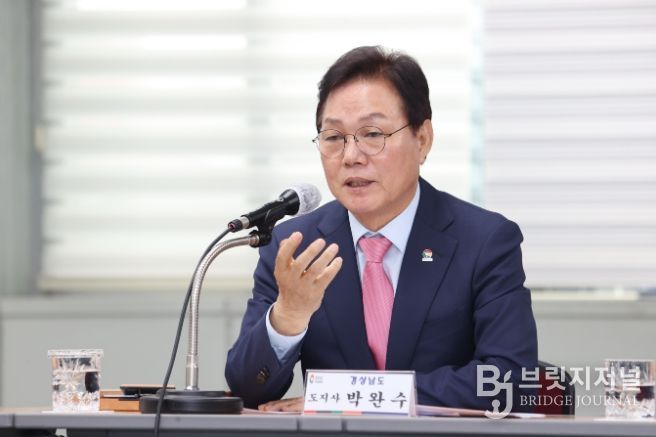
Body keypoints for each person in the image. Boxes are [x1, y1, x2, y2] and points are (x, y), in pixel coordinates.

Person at [225, 45, 537, 412]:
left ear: (422, 139)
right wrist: (288, 317)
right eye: (334, 137)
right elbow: (248, 390)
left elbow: (510, 379)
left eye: (372, 134)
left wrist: (353, 398)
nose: (351, 156)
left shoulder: (484, 241)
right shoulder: (296, 246)